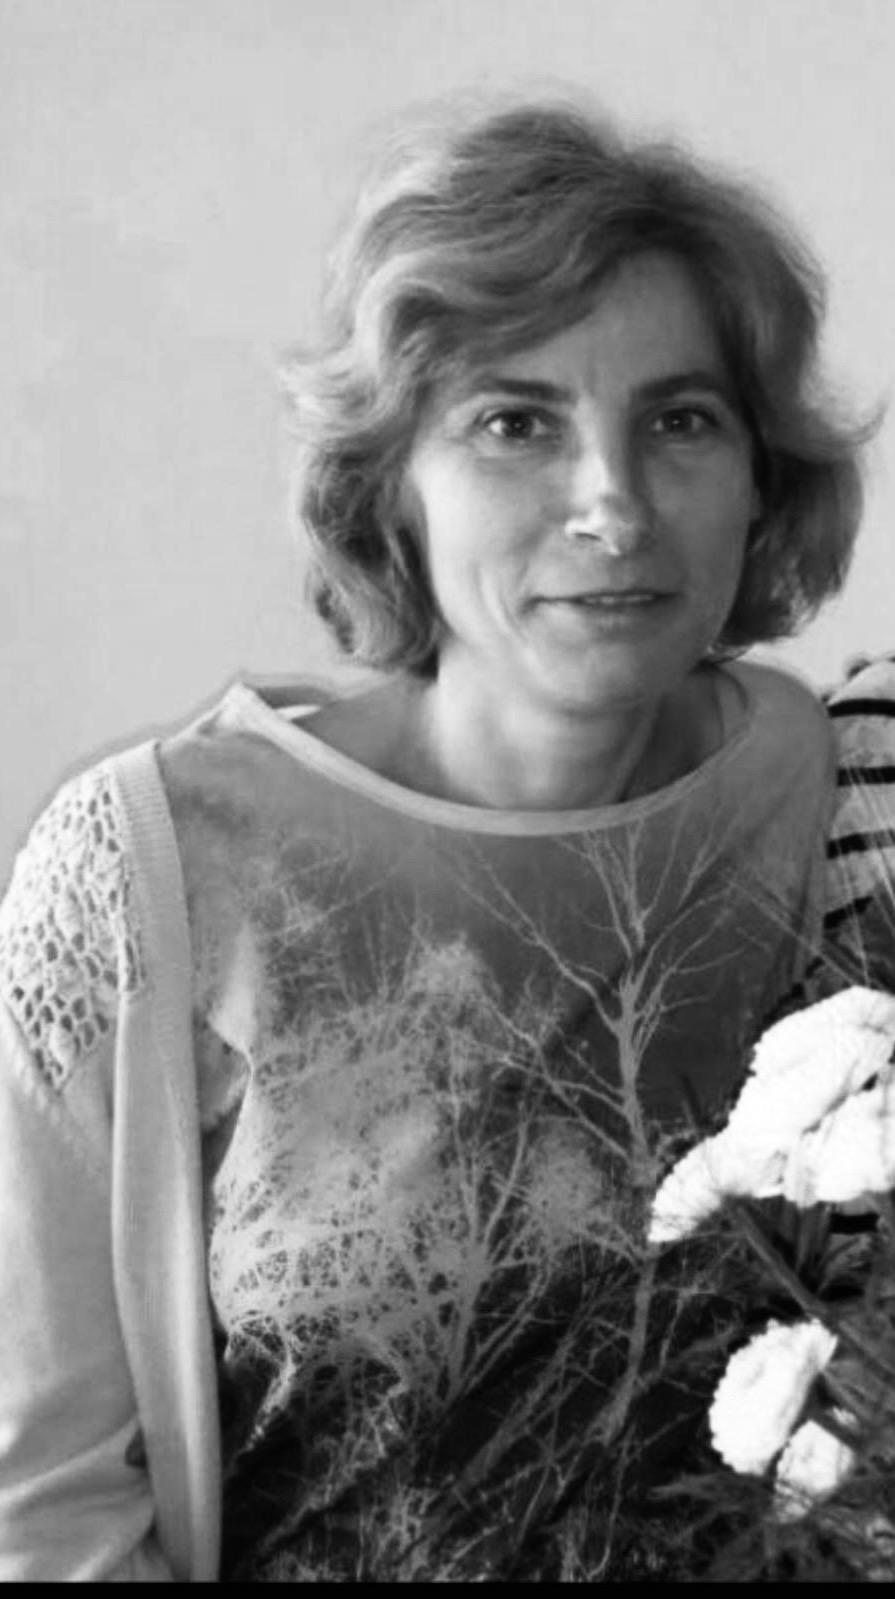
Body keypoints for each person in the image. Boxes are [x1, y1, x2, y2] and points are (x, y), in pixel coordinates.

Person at [0, 95, 888, 1582]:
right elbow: (43, 1503)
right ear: (390, 485)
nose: (612, 506)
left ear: (761, 479)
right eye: (513, 423)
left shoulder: (811, 778)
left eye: (680, 420)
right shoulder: (152, 868)